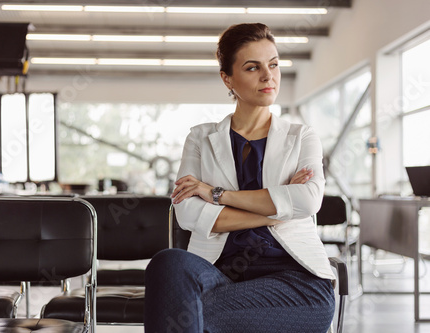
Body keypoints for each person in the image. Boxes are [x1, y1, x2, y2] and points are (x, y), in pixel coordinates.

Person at [144, 23, 336, 333]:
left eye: (273, 64)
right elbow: (188, 211)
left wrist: (216, 194)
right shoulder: (201, 138)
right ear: (227, 78)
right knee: (167, 264)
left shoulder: (302, 137)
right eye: (252, 67)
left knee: (180, 308)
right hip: (220, 275)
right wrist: (273, 213)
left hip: (296, 282)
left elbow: (307, 201)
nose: (268, 76)